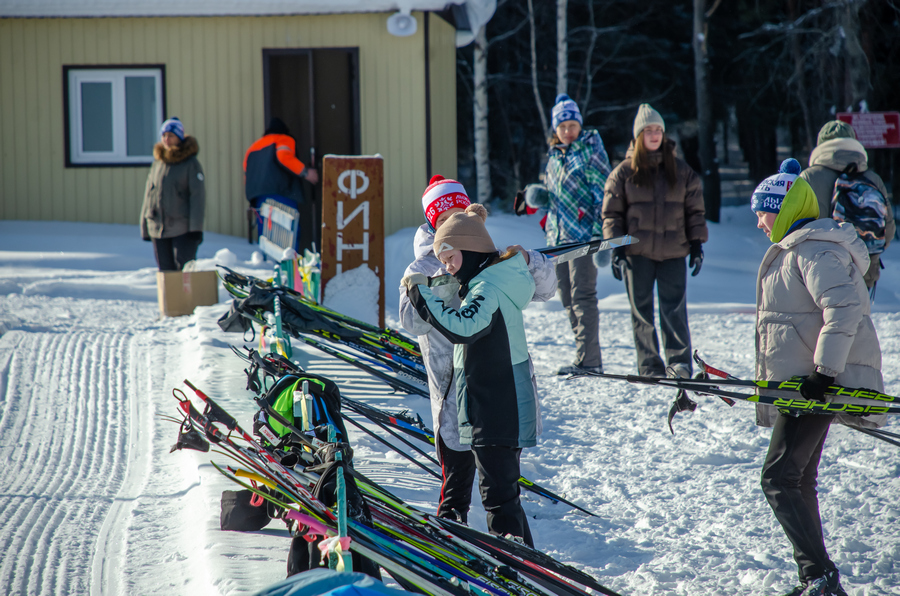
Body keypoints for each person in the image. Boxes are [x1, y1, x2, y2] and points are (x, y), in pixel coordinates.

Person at [751, 158, 884, 596]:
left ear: (783, 209)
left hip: (817, 385)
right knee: (796, 478)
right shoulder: (801, 247)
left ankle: (820, 577)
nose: (758, 222)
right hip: (806, 384)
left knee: (778, 479)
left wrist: (824, 375)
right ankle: (816, 577)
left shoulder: (813, 250)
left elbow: (843, 308)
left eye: (763, 212)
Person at [398, 175, 556, 526]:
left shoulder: (488, 255)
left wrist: (529, 260)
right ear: (432, 225)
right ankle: (453, 534)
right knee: (455, 484)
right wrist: (443, 281)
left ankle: (509, 542)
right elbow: (410, 320)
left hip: (495, 389)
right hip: (451, 390)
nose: (452, 224)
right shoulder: (421, 267)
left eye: (458, 214)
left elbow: (545, 289)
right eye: (443, 219)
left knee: (500, 487)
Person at [601, 104, 708, 378]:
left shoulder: (681, 171)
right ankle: (649, 365)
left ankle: (678, 363)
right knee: (642, 311)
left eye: (658, 129)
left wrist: (697, 245)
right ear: (638, 136)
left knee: (674, 309)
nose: (654, 135)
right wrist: (616, 249)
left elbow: (695, 211)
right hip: (636, 254)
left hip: (674, 252)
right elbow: (612, 215)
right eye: (648, 130)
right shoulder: (623, 173)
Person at [526, 94, 612, 376]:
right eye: (562, 126)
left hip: (583, 236)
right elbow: (559, 196)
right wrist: (542, 197)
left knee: (583, 296)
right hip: (558, 239)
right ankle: (583, 355)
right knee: (566, 297)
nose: (567, 131)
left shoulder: (591, 151)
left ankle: (590, 361)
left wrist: (600, 235)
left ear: (580, 124)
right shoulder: (555, 155)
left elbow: (604, 195)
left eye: (572, 125)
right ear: (556, 129)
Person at [799, 120, 894, 290]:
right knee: (857, 307)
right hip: (864, 272)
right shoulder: (873, 179)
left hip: (819, 271)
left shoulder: (808, 178)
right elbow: (888, 229)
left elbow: (795, 228)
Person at [140, 117, 206, 271]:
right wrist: (144, 226)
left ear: (179, 137)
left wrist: (196, 229)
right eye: (164, 135)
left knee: (184, 272)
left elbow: (197, 197)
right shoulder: (158, 163)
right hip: (158, 228)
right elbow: (149, 194)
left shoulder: (190, 164)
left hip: (182, 228)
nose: (166, 139)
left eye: (171, 135)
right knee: (165, 273)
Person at [244, 117, 319, 208]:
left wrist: (252, 198)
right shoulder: (283, 139)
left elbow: (247, 172)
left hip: (257, 197)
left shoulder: (252, 147)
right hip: (279, 194)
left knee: (266, 218)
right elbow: (284, 157)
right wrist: (306, 173)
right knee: (285, 217)